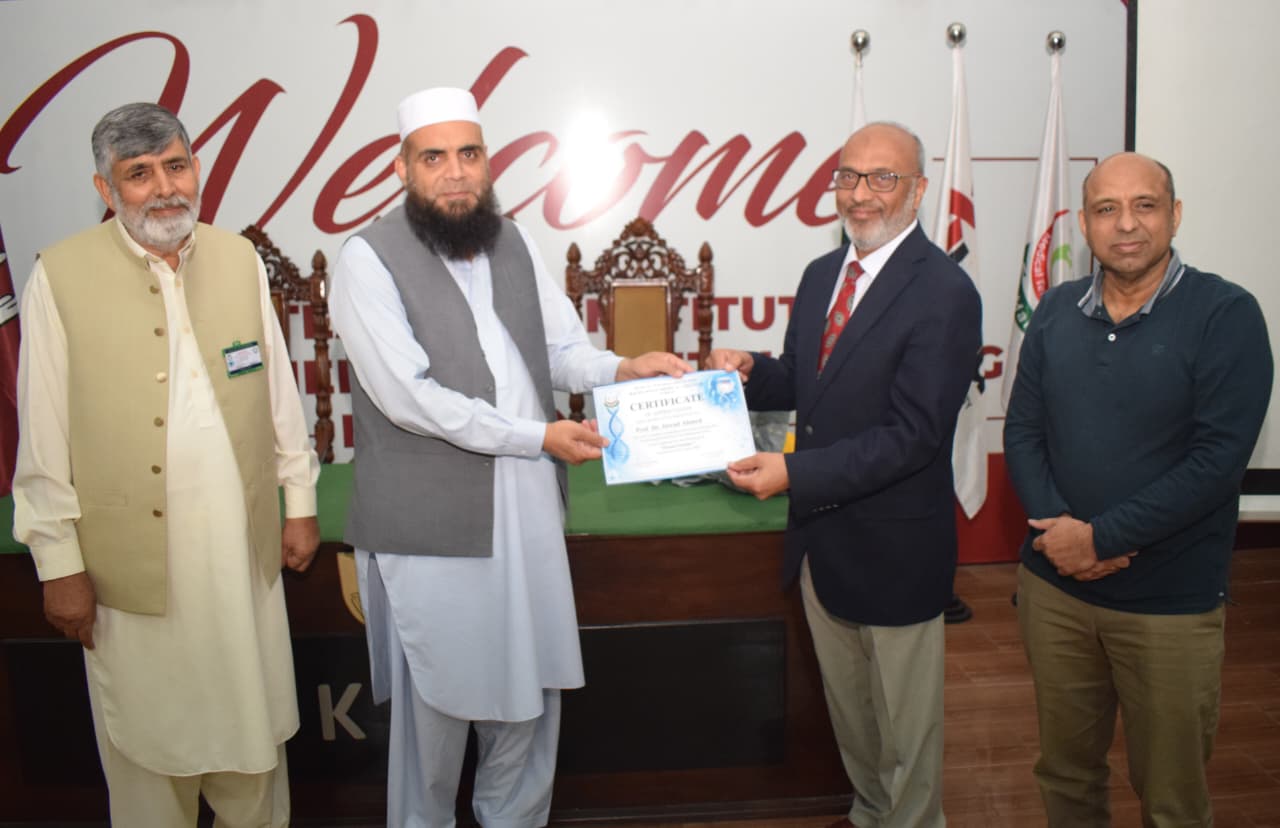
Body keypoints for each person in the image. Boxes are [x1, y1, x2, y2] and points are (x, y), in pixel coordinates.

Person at [328, 87, 689, 828]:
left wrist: (623, 368)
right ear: (402, 168)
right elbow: (410, 398)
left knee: (529, 704)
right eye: (434, 157)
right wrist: (537, 438)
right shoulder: (366, 259)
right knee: (435, 716)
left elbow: (558, 350)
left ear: (487, 161)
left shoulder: (513, 240)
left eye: (469, 153)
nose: (456, 171)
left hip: (526, 513)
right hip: (430, 527)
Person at [12, 103, 321, 826]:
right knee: (150, 762)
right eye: (139, 174)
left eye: (175, 166)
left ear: (196, 168)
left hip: (239, 560)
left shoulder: (237, 258)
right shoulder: (60, 276)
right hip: (130, 573)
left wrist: (300, 503)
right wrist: (58, 564)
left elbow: (278, 395)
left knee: (252, 749)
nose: (164, 189)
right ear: (105, 188)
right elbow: (42, 436)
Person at [707, 121, 982, 828]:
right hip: (821, 549)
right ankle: (867, 814)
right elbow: (807, 379)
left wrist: (794, 473)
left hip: (896, 551)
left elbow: (914, 436)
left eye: (883, 177)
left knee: (906, 734)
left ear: (918, 189)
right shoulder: (821, 274)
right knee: (853, 720)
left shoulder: (945, 292)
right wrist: (750, 372)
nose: (861, 193)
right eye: (848, 176)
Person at [1003, 151, 1272, 826]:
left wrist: (1101, 539)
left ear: (1175, 215)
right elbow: (1024, 431)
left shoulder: (1227, 315)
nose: (1126, 224)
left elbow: (1216, 464)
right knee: (1066, 776)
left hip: (1168, 606)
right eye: (1107, 209)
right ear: (1085, 224)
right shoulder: (1056, 310)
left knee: (1172, 797)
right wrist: (1061, 535)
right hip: (1056, 592)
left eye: (1144, 205)